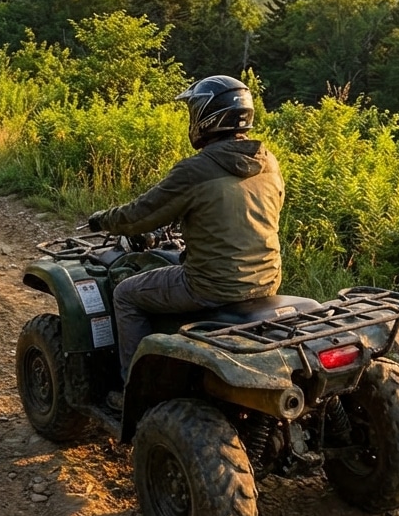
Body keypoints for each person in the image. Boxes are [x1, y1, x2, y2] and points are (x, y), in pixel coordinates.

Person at [88, 75, 284, 405]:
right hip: (267, 280)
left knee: (125, 294)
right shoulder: (268, 161)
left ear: (206, 116)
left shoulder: (198, 169)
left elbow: (141, 214)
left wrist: (103, 220)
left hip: (210, 285)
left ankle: (135, 391)